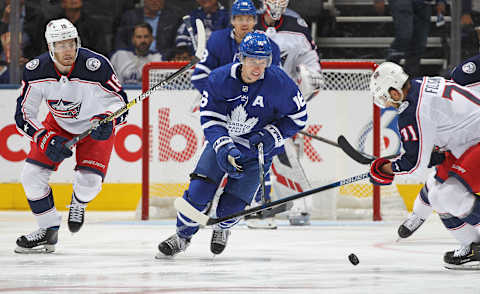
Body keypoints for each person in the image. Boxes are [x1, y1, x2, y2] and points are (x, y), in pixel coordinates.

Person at [157, 31, 307, 257]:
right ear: (241, 58)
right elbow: (210, 118)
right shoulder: (219, 78)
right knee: (197, 194)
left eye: (263, 60)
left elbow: (299, 116)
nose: (258, 67)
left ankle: (223, 227)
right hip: (223, 146)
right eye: (253, 60)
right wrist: (224, 146)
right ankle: (182, 236)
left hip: (257, 153)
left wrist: (271, 135)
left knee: (232, 209)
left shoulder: (279, 82)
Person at [13, 18, 128, 253]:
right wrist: (44, 137)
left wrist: (110, 120)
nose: (68, 50)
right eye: (61, 45)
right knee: (31, 176)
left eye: (71, 43)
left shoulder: (97, 65)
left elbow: (120, 103)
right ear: (50, 48)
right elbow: (24, 115)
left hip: (95, 124)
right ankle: (48, 230)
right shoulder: (36, 70)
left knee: (90, 182)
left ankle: (78, 202)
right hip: (57, 124)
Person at [368, 61, 480, 270]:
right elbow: (436, 140)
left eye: (385, 99)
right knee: (438, 195)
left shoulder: (413, 111)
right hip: (467, 142)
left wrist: (385, 170)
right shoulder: (421, 84)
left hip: (473, 142)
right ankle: (475, 248)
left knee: (449, 195)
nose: (387, 105)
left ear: (394, 92)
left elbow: (415, 166)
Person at [190, 0, 281, 229]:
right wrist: (218, 99)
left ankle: (260, 204)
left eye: (249, 18)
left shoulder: (267, 46)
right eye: (240, 18)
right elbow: (200, 76)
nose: (245, 23)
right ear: (232, 20)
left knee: (261, 155)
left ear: (255, 20)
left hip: (256, 113)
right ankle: (205, 200)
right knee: (214, 155)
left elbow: (273, 83)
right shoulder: (219, 40)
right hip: (223, 113)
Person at [255, 0, 323, 226]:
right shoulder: (248, 21)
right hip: (250, 101)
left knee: (285, 153)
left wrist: (304, 89)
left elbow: (313, 71)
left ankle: (300, 205)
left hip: (282, 104)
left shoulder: (297, 26)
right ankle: (250, 201)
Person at [373, 0, 446, 77]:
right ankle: (387, 72)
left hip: (423, 4)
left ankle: (409, 80)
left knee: (419, 43)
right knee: (404, 36)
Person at [114, 0, 183, 60]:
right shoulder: (130, 17)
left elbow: (176, 45)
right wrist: (128, 56)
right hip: (133, 58)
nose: (154, 1)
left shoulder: (173, 19)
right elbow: (120, 41)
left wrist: (164, 57)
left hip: (162, 59)